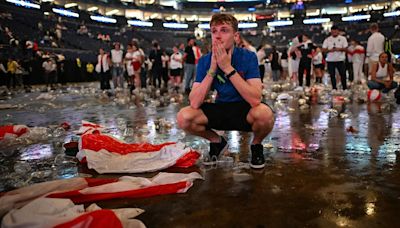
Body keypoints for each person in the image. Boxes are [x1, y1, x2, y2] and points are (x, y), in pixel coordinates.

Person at [176, 14, 275, 169]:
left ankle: (256, 145)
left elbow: (255, 99)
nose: (217, 36)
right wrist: (213, 68)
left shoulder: (248, 56)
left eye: (224, 30)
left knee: (265, 114)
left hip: (244, 109)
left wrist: (227, 68)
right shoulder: (204, 61)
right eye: (214, 31)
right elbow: (194, 102)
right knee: (184, 117)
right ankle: (217, 141)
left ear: (235, 36)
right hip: (221, 107)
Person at [322, 25, 348, 90]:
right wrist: (330, 50)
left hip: (340, 60)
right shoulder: (327, 39)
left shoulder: (343, 38)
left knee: (343, 74)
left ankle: (344, 88)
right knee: (332, 75)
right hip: (330, 60)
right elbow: (323, 49)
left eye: (335, 31)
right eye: (333, 32)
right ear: (331, 32)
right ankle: (334, 88)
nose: (334, 33)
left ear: (338, 31)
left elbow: (346, 48)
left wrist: (339, 49)